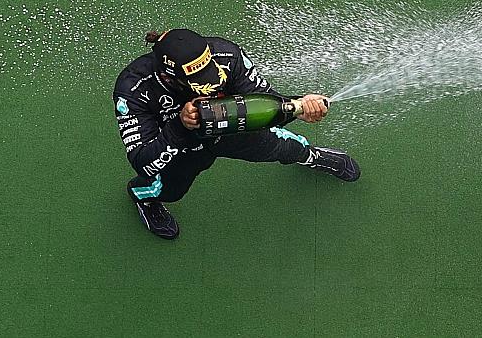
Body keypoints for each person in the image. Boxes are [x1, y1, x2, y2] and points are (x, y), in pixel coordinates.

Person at [115, 27, 361, 239]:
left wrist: (298, 107)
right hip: (182, 147)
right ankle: (143, 197)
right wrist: (180, 126)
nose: (212, 84)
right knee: (170, 191)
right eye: (199, 81)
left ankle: (310, 157)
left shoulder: (227, 55)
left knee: (287, 146)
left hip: (232, 128)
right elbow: (143, 162)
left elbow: (266, 101)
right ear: (169, 78)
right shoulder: (133, 89)